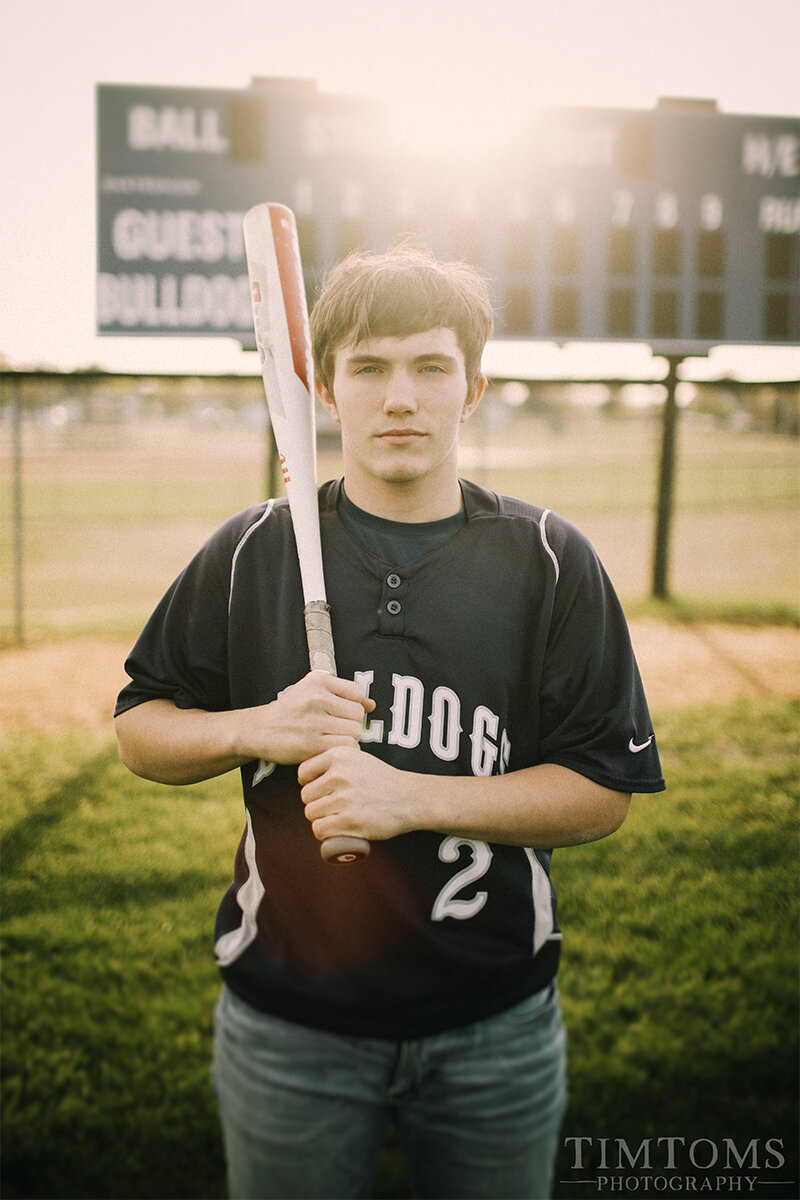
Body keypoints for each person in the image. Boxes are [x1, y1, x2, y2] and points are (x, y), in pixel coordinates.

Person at [114, 243, 665, 1200]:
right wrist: (254, 728)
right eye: (367, 368)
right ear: (325, 390)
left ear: (473, 387)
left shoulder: (549, 558)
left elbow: (600, 794)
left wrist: (407, 797)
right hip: (290, 1025)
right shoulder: (252, 550)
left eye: (429, 367)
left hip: (494, 1022)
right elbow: (140, 730)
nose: (399, 397)